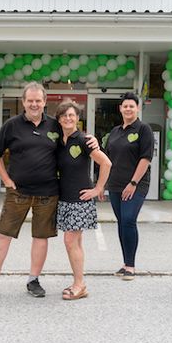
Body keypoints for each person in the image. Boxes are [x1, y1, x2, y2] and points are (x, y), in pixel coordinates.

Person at [0, 82, 97, 299]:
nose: (34, 104)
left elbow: (72, 133)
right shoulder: (11, 125)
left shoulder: (55, 125)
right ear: (23, 102)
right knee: (3, 235)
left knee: (41, 238)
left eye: (38, 100)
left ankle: (34, 280)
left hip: (48, 193)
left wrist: (91, 139)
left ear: (44, 102)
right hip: (18, 191)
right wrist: (5, 179)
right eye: (30, 100)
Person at [55, 101, 111, 300]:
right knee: (75, 242)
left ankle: (79, 284)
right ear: (59, 119)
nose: (68, 118)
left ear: (77, 118)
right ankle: (79, 282)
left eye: (71, 115)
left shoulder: (84, 140)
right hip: (65, 199)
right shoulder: (59, 140)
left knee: (70, 240)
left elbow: (106, 163)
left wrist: (98, 188)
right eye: (64, 116)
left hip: (80, 199)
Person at [106, 92, 153, 281]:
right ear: (120, 109)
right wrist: (103, 185)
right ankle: (125, 263)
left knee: (128, 220)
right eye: (125, 106)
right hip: (115, 184)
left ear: (137, 108)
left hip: (136, 184)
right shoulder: (115, 132)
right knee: (121, 223)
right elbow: (108, 159)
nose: (128, 109)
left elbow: (146, 158)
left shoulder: (143, 129)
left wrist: (133, 183)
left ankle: (131, 266)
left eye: (131, 106)